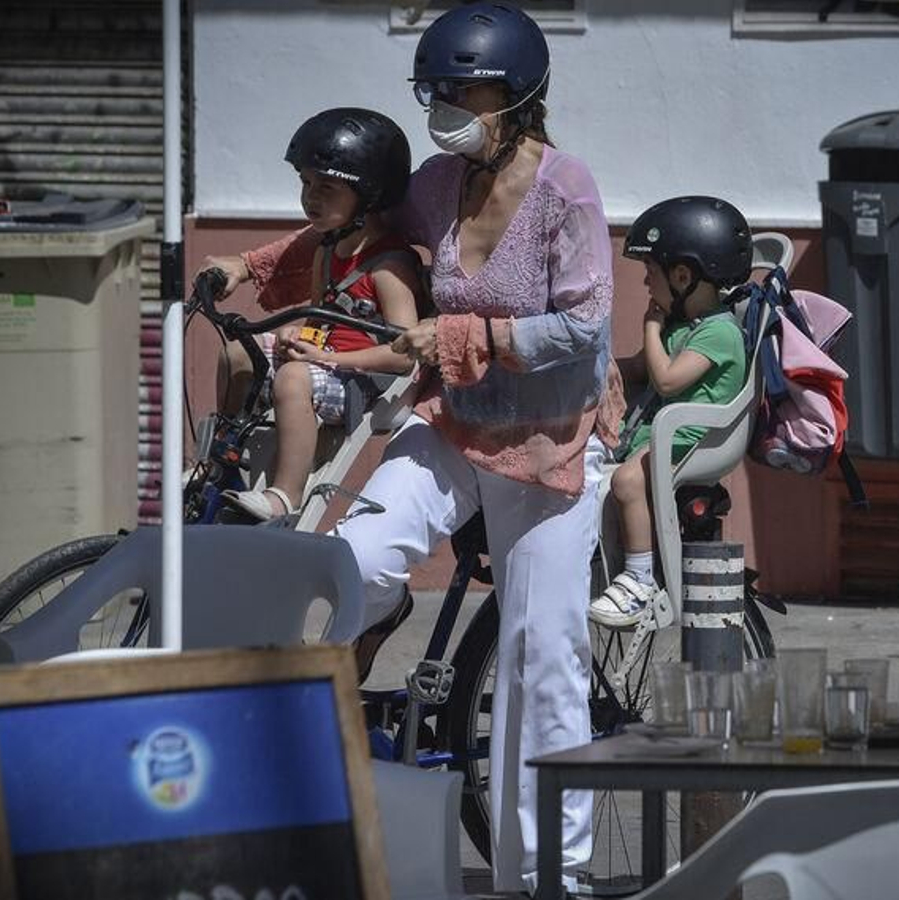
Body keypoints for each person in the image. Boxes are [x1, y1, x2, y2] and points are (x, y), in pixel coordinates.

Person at [211, 5, 623, 890]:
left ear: (514, 95)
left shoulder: (567, 189)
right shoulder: (434, 182)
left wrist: (466, 334)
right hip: (454, 423)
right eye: (435, 89)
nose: (443, 103)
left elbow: (587, 327)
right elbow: (344, 221)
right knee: (348, 564)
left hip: (554, 442)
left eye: (461, 88)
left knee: (540, 656)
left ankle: (552, 875)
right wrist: (246, 265)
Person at [205, 108, 423, 522]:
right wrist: (296, 334)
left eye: (327, 187)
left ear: (371, 195)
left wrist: (329, 360)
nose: (311, 196)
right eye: (306, 183)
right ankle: (225, 461)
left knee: (293, 376)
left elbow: (405, 355)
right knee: (237, 352)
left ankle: (285, 494)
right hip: (323, 365)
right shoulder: (326, 249)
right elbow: (322, 321)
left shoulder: (390, 267)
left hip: (365, 382)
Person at [589, 197, 752, 628]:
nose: (646, 286)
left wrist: (650, 324)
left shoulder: (719, 332)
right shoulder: (687, 328)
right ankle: (606, 568)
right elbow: (642, 368)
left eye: (651, 276)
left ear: (683, 276)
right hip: (664, 442)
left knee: (627, 480)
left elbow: (665, 380)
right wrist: (597, 371)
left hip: (691, 443)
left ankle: (639, 580)